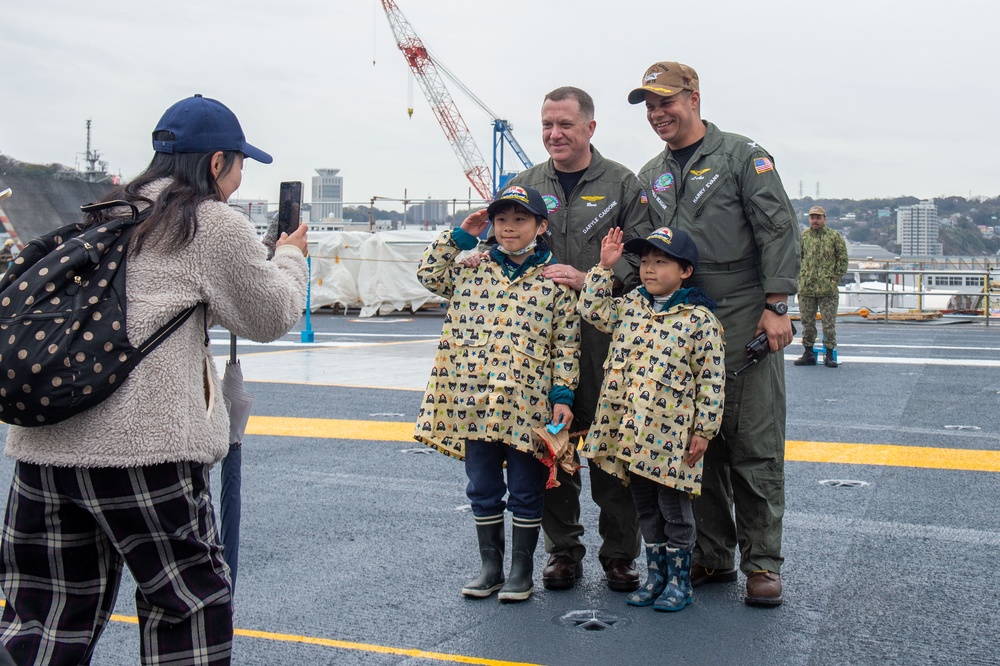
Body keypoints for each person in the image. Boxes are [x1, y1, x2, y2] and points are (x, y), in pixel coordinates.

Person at [0, 94, 309, 664]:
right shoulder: (209, 223)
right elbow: (269, 315)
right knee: (185, 610)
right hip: (144, 452)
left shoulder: (106, 213)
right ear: (216, 163)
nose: (239, 180)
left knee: (45, 617)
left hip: (45, 449)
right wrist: (290, 258)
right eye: (240, 165)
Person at [629, 62, 801, 607]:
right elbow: (635, 244)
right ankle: (712, 553)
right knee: (691, 446)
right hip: (677, 318)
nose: (658, 114)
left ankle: (762, 564)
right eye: (650, 107)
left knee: (752, 445)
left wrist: (777, 304)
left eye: (666, 102)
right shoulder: (651, 172)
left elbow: (777, 228)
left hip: (742, 310)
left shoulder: (742, 157)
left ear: (694, 97)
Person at [505, 86, 651, 593]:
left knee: (612, 450)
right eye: (547, 124)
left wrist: (591, 277)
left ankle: (619, 556)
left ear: (590, 127)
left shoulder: (621, 184)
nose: (554, 134)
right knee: (551, 447)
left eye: (565, 124)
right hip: (541, 347)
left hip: (607, 340)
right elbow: (502, 245)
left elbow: (646, 258)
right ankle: (562, 551)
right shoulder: (525, 183)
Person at [414, 184, 581, 603]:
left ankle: (521, 570)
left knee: (526, 487)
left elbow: (566, 345)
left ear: (541, 226)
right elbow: (428, 275)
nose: (509, 228)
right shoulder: (473, 266)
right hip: (474, 402)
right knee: (482, 485)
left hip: (527, 407)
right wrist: (460, 236)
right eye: (502, 219)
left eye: (520, 220)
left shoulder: (554, 281)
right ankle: (490, 567)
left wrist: (563, 395)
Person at [579, 226, 725, 612]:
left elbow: (711, 378)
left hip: (674, 435)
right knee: (645, 507)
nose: (649, 269)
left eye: (661, 262)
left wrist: (704, 430)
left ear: (685, 271)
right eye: (644, 261)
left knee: (675, 510)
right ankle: (656, 576)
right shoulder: (629, 305)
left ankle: (680, 582)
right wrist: (603, 268)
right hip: (632, 431)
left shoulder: (699, 319)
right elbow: (593, 311)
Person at [793, 205, 848, 368]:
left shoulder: (834, 236)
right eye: (812, 217)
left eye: (818, 217)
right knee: (807, 323)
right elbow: (796, 259)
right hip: (807, 288)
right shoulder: (803, 237)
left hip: (828, 290)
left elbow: (843, 260)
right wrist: (800, 278)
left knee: (828, 323)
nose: (815, 220)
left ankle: (829, 354)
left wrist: (834, 279)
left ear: (824, 219)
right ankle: (808, 352)